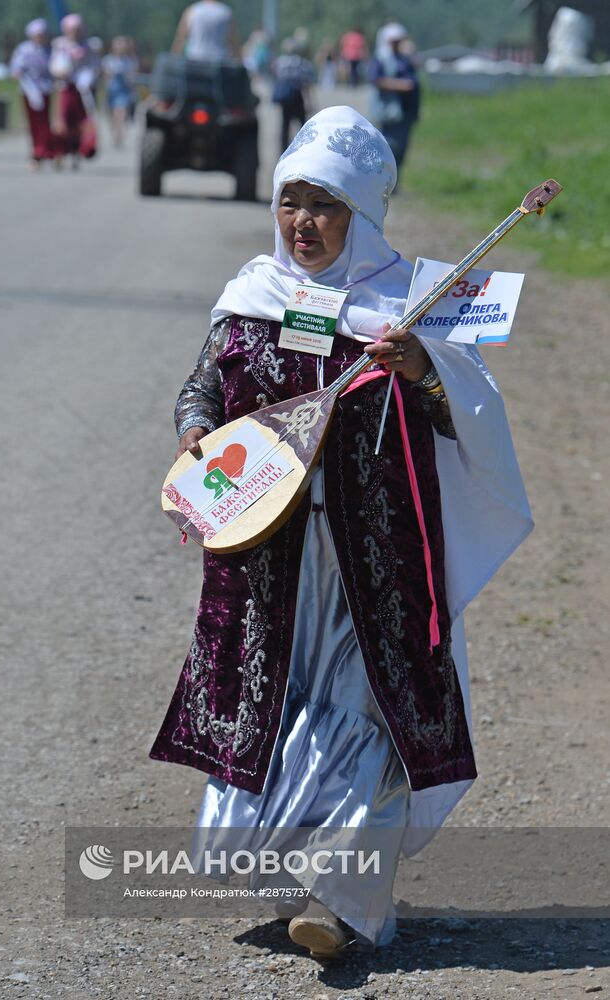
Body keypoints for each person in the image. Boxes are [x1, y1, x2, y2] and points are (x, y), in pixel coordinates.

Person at [149, 106, 533, 957]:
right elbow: (204, 385)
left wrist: (425, 369)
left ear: (359, 215)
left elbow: (467, 421)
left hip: (376, 560)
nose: (302, 223)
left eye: (323, 206)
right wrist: (195, 433)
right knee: (278, 702)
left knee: (374, 710)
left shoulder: (412, 303)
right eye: (291, 203)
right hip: (273, 558)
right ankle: (295, 872)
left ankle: (339, 897)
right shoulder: (254, 292)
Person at [370, 22, 420, 186]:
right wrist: (400, 85)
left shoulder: (405, 58)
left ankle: (394, 184)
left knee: (401, 149)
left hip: (406, 110)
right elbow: (375, 80)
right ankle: (384, 183)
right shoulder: (382, 58)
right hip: (390, 111)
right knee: (390, 148)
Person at [10, 19, 59, 168]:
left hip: (45, 89)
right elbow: (15, 67)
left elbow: (56, 68)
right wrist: (17, 73)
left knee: (45, 122)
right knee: (33, 123)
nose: (40, 38)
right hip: (29, 91)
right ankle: (37, 151)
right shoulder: (24, 49)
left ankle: (48, 150)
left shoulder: (50, 50)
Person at [50, 13, 97, 166]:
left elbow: (93, 65)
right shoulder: (60, 45)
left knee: (80, 122)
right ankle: (59, 152)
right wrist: (60, 71)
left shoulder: (88, 46)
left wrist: (87, 78)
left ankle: (78, 149)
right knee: (62, 121)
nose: (75, 33)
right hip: (65, 88)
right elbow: (54, 65)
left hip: (81, 90)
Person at [272, 37, 313, 155]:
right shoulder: (301, 62)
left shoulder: (280, 62)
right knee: (302, 124)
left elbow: (275, 78)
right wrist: (310, 102)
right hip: (296, 95)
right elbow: (307, 84)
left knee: (285, 125)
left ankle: (283, 151)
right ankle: (305, 148)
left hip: (285, 97)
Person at [171, 0, 240, 60]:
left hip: (195, 59)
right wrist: (239, 62)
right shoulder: (226, 13)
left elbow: (181, 38)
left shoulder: (192, 10)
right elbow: (233, 42)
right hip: (219, 62)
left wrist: (173, 58)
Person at [102, 36, 137, 148]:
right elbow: (105, 76)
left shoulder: (129, 61)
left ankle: (119, 134)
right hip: (112, 91)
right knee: (112, 115)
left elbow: (133, 76)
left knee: (120, 113)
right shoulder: (108, 60)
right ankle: (114, 131)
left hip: (124, 90)